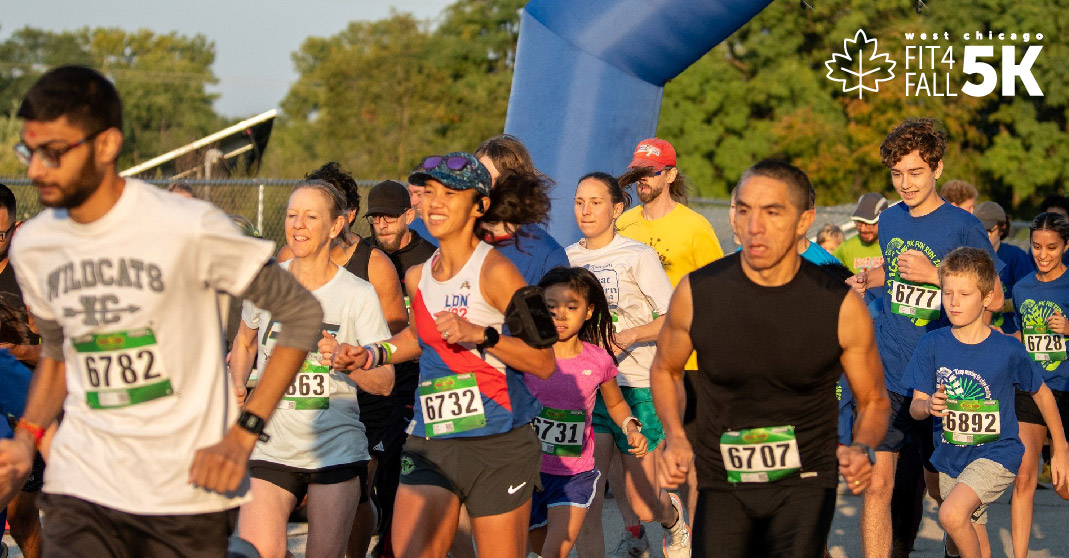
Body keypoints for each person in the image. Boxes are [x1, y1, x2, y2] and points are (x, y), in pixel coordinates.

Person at [0, 65, 322, 557]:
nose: (36, 170)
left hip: (181, 493)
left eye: (53, 152)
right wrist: (26, 438)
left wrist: (244, 434)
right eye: (30, 152)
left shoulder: (187, 226)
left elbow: (300, 314)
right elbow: (58, 352)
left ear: (106, 145)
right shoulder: (36, 245)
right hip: (82, 485)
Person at [651, 159, 890, 557]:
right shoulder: (698, 293)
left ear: (804, 220)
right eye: (743, 211)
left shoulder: (840, 306)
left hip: (804, 480)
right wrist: (675, 436)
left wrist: (862, 445)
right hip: (722, 477)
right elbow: (666, 369)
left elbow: (873, 399)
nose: (753, 226)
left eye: (772, 212)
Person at [326, 152, 556, 558]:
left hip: (497, 442)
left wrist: (482, 336)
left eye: (450, 194)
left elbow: (544, 359)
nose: (434, 203)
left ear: (479, 205)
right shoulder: (419, 275)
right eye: (429, 192)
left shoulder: (499, 271)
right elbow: (418, 337)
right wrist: (367, 355)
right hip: (432, 437)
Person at [855, 118, 1004, 558]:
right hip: (890, 372)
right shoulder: (889, 220)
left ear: (937, 169)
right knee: (878, 485)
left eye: (915, 172)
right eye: (897, 174)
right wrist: (867, 279)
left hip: (945, 379)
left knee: (946, 492)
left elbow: (994, 297)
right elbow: (897, 274)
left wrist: (938, 276)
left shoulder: (963, 226)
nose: (905, 184)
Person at [229, 180, 394, 558]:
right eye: (291, 215)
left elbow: (385, 383)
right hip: (271, 445)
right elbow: (244, 341)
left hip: (333, 449)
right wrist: (238, 380)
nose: (298, 225)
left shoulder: (357, 294)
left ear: (335, 227)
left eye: (310, 216)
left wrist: (347, 361)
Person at [277, 163, 407, 558]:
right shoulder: (285, 260)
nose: (303, 222)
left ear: (344, 216)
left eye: (317, 211)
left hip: (362, 399)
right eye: (297, 212)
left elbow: (396, 337)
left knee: (357, 494)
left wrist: (353, 355)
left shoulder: (373, 266)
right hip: (296, 405)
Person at [907, 247, 1068, 558]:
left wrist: (1060, 446)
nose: (953, 301)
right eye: (947, 292)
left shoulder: (1007, 349)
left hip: (997, 453)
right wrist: (927, 407)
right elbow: (916, 405)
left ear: (985, 298)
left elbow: (1042, 393)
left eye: (964, 294)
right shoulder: (931, 344)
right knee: (963, 536)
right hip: (951, 458)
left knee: (951, 515)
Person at [565, 172, 690, 558]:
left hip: (635, 383)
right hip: (588, 389)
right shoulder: (567, 258)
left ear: (617, 208)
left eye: (596, 202)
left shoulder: (637, 255)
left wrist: (630, 335)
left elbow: (674, 316)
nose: (586, 210)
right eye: (579, 201)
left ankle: (672, 521)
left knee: (643, 503)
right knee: (585, 498)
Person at [617, 137, 724, 541]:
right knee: (636, 454)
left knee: (692, 460)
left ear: (671, 174)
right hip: (630, 361)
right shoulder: (623, 224)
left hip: (688, 362)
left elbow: (715, 293)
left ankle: (698, 539)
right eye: (638, 173)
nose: (642, 180)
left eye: (651, 172)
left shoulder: (694, 227)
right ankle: (649, 527)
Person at [526, 266, 648, 558]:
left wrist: (630, 426)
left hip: (575, 474)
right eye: (551, 307)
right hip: (528, 471)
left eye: (571, 307)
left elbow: (616, 403)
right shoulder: (526, 355)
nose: (561, 315)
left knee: (556, 550)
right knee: (539, 547)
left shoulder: (598, 360)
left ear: (589, 311)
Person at [362, 179, 437, 557]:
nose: (382, 226)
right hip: (367, 371)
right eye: (375, 219)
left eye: (389, 218)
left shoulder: (431, 259)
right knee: (367, 466)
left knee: (396, 464)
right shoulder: (364, 257)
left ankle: (390, 545)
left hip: (413, 376)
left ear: (410, 215)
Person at [1010, 212, 1069, 557]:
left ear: (1065, 247)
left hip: (1066, 389)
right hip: (1031, 388)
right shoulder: (1021, 288)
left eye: (1051, 247)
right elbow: (1023, 333)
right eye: (1036, 246)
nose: (1042, 254)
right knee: (1024, 476)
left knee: (1063, 487)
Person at [473, 134, 569, 286]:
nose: (489, 188)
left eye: (499, 181)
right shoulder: (453, 240)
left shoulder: (547, 254)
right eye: (482, 178)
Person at [975, 202, 1032, 335]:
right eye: (980, 230)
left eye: (989, 230)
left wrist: (998, 304)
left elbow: (1030, 295)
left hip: (1007, 332)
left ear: (1003, 227)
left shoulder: (1015, 256)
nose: (984, 235)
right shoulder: (968, 255)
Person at [833, 192, 888, 276]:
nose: (863, 229)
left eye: (869, 224)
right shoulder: (846, 248)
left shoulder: (895, 246)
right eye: (859, 223)